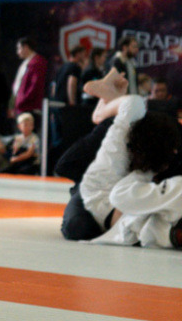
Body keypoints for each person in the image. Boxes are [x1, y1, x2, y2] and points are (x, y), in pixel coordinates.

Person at [58, 69, 182, 245]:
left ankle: (109, 99)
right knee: (79, 227)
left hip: (137, 192)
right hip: (99, 188)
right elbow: (65, 166)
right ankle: (106, 101)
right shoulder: (119, 138)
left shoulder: (172, 144)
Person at [51, 45, 90, 154]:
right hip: (66, 107)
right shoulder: (74, 67)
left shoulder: (62, 67)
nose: (85, 56)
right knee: (67, 137)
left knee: (57, 137)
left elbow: (54, 86)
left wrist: (54, 101)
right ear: (77, 54)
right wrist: (72, 102)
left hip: (57, 104)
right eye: (83, 54)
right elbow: (71, 83)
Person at [12, 37, 48, 129]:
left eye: (19, 48)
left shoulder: (37, 63)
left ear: (26, 47)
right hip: (22, 105)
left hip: (29, 107)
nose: (18, 52)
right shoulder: (26, 63)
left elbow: (35, 85)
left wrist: (22, 100)